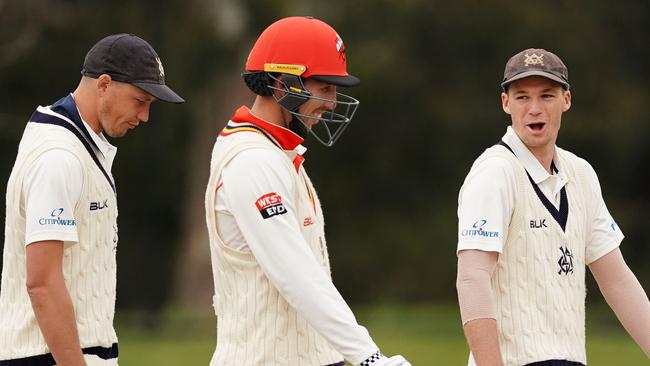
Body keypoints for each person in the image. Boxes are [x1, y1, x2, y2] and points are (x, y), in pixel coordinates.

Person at [204, 16, 411, 366]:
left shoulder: (277, 155)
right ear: (284, 85)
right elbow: (295, 273)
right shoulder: (254, 160)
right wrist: (369, 357)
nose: (332, 102)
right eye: (325, 88)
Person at [456, 48, 650, 366]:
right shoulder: (495, 172)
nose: (535, 109)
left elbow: (617, 280)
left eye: (547, 95)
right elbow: (472, 277)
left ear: (566, 100)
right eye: (522, 97)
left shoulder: (581, 174)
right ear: (506, 103)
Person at [0, 34, 184, 365]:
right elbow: (41, 283)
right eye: (139, 101)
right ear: (103, 84)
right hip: (50, 357)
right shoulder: (59, 157)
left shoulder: (76, 145)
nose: (144, 117)